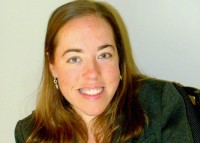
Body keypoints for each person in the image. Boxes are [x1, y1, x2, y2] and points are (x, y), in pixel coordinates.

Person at [15, 0, 194, 143]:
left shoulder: (161, 104)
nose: (92, 72)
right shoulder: (31, 134)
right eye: (74, 59)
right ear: (52, 65)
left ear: (119, 58)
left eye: (104, 55)